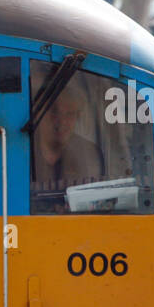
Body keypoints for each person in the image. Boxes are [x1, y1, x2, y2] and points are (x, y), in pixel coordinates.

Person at [30, 78, 104, 212]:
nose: (61, 122)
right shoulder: (18, 149)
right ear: (38, 114)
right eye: (53, 113)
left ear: (77, 116)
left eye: (69, 114)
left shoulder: (89, 153)